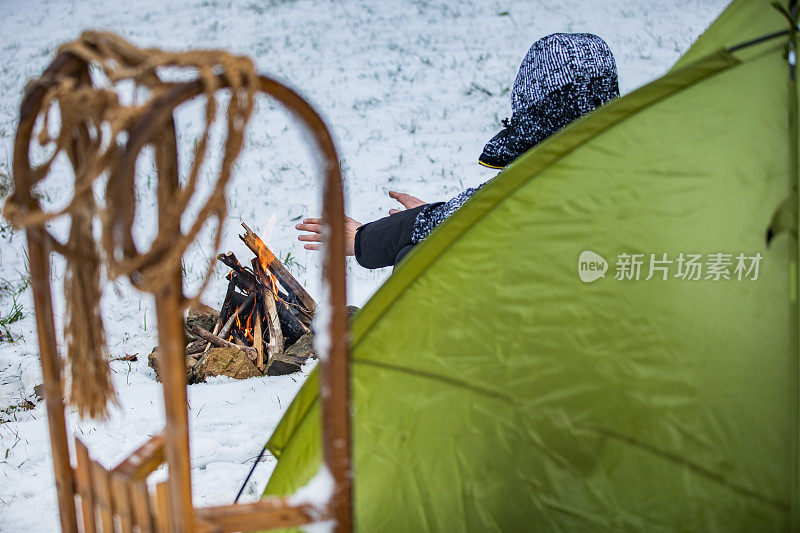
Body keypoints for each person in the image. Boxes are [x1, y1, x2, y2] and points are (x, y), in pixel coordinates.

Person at [297, 33, 619, 268]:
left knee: (421, 261)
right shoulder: (630, 162)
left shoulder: (546, 192)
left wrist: (364, 240)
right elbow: (485, 211)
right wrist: (438, 218)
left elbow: (494, 214)